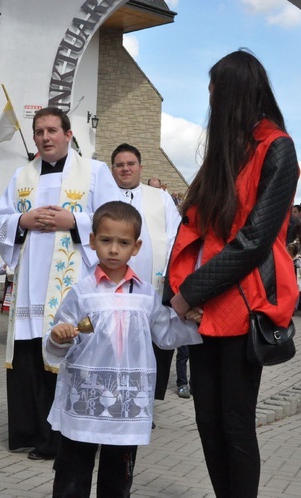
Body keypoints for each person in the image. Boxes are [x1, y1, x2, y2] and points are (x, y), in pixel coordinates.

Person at [165, 50, 299, 497]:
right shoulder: (225, 150)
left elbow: (255, 238)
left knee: (235, 422)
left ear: (233, 91)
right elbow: (194, 227)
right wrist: (177, 287)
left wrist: (190, 291)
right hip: (205, 307)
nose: (208, 96)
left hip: (244, 304)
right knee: (208, 421)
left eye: (214, 87)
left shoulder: (276, 147)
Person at [0, 107, 121, 461]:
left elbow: (116, 221)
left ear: (68, 134)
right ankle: (30, 432)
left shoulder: (94, 172)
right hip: (30, 284)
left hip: (71, 285)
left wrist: (73, 220)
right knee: (30, 355)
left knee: (64, 356)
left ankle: (62, 440)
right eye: (39, 132)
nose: (45, 138)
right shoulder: (22, 175)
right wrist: (22, 219)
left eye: (51, 131)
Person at [43, 201, 202, 497]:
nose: (114, 249)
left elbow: (166, 334)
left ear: (136, 246)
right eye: (106, 240)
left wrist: (197, 323)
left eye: (123, 242)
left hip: (125, 407)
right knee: (72, 476)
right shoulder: (81, 293)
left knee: (118, 481)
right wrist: (58, 337)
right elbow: (59, 341)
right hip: (85, 403)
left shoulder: (145, 294)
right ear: (92, 241)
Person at [110, 143, 183, 401]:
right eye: (120, 165)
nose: (125, 169)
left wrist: (166, 271)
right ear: (113, 169)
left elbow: (175, 235)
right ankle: (116, 397)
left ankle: (147, 402)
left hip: (154, 285)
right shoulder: (103, 195)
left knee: (153, 348)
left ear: (140, 167)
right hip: (113, 289)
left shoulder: (159, 197)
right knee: (117, 347)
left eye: (130, 164)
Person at [287, 242, 301, 313]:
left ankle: (294, 307)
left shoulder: (297, 260)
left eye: (289, 251)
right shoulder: (286, 258)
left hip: (295, 279)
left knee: (296, 293)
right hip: (288, 278)